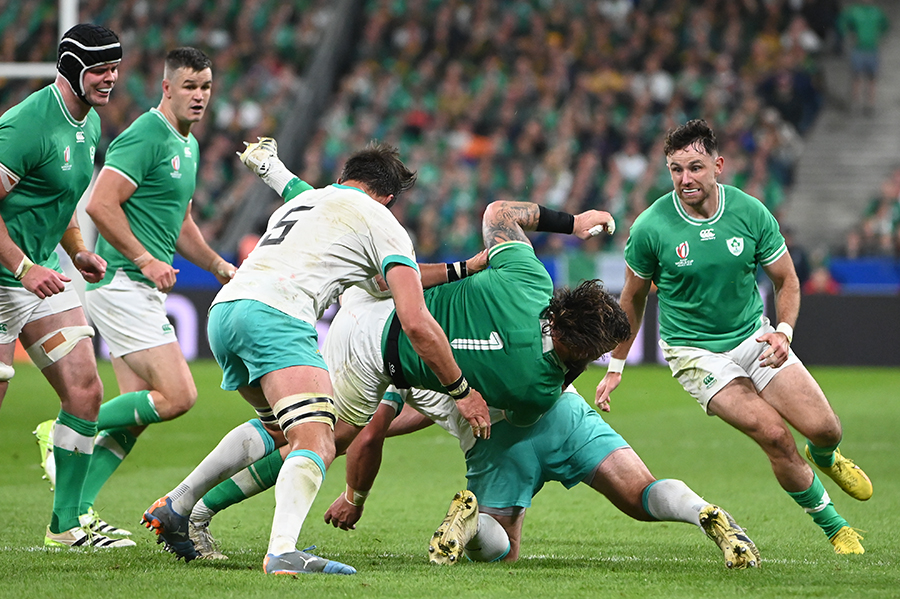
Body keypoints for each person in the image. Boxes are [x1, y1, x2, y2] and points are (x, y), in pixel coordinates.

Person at [185, 202, 760, 570]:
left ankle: (194, 504)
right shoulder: (536, 386)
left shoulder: (528, 276)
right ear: (579, 350)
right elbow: (519, 392)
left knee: (314, 436)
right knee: (640, 495)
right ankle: (701, 511)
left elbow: (499, 212)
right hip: (544, 421)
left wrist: (572, 222)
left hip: (390, 331)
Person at [141, 137, 490, 575]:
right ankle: (282, 551)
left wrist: (461, 268)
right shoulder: (381, 221)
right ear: (388, 198)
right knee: (318, 441)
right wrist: (460, 390)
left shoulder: (310, 201)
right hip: (276, 316)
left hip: (226, 312)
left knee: (279, 430)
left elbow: (375, 282)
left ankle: (178, 505)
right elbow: (415, 320)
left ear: (345, 178)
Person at [595, 119, 871, 555]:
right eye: (676, 169)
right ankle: (835, 527)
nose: (685, 179)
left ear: (718, 166)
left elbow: (786, 280)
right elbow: (633, 298)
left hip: (753, 337)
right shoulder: (651, 227)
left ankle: (824, 455)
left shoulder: (749, 212)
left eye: (695, 167)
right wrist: (616, 364)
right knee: (774, 435)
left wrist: (783, 332)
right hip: (694, 353)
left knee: (825, 428)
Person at [33, 47, 235, 537]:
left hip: (138, 288)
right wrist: (145, 259)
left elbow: (181, 223)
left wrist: (216, 265)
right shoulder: (147, 134)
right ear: (167, 88)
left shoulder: (188, 145)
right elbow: (100, 204)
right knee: (179, 395)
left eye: (206, 87)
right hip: (123, 283)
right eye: (189, 86)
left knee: (137, 413)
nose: (199, 96)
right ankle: (60, 431)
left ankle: (73, 515)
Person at [0, 24, 133, 548]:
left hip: (38, 274)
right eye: (99, 69)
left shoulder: (89, 122)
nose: (110, 78)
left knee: (85, 390)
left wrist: (76, 249)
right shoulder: (26, 125)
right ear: (72, 69)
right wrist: (22, 268)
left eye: (114, 68)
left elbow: (62, 199)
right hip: (9, 275)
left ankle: (66, 525)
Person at [838, 0, 890, 115]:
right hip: (858, 49)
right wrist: (849, 34)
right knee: (857, 78)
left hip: (872, 50)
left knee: (872, 78)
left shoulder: (877, 12)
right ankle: (855, 103)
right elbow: (842, 22)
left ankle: (870, 104)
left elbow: (886, 25)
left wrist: (879, 36)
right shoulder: (854, 11)